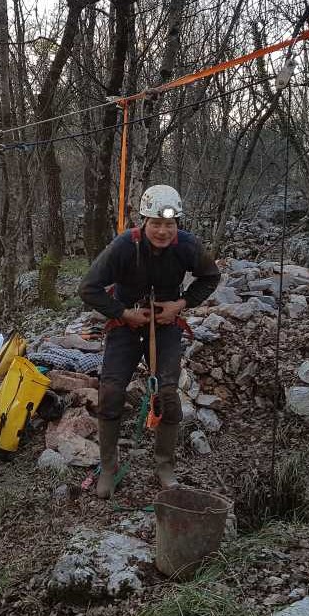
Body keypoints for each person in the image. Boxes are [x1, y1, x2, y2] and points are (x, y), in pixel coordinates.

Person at [79, 185, 221, 498]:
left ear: (177, 224)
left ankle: (164, 466)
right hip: (126, 326)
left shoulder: (187, 245)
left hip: (166, 324)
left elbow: (210, 276)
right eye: (155, 223)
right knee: (111, 391)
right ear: (144, 221)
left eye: (169, 224)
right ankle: (109, 465)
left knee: (168, 393)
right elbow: (88, 287)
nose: (162, 231)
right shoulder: (123, 246)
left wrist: (180, 304)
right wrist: (123, 312)